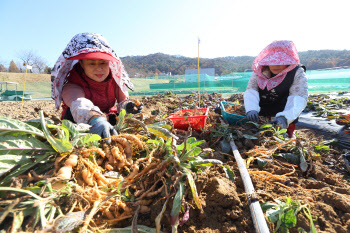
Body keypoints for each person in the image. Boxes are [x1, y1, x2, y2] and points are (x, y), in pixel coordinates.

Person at [51, 33, 142, 143]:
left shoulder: (114, 80)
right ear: (81, 63)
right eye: (92, 64)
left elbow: (123, 101)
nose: (99, 69)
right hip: (80, 122)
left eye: (103, 63)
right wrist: (95, 119)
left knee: (120, 119)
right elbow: (79, 103)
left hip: (107, 117)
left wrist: (128, 107)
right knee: (70, 114)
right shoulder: (73, 83)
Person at [243, 40, 308, 138]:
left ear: (289, 61)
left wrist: (285, 117)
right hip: (264, 102)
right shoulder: (260, 70)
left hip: (284, 104)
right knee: (261, 126)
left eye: (281, 62)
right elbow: (252, 89)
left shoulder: (297, 73)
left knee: (286, 127)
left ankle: (289, 131)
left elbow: (298, 96)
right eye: (272, 62)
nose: (275, 65)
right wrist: (251, 108)